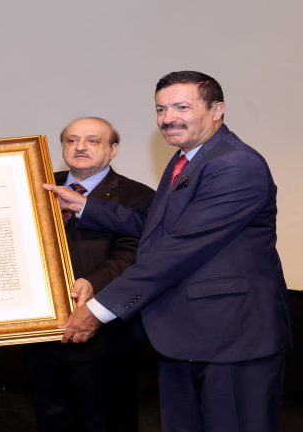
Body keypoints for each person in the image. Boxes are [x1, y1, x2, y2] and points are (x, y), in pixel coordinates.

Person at [46, 71, 291, 432]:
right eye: (161, 109)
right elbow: (158, 229)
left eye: (181, 107)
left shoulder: (235, 163)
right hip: (183, 335)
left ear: (217, 110)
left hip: (230, 338)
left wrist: (98, 310)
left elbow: (179, 248)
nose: (168, 118)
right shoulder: (186, 159)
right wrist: (85, 207)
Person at [26, 117, 154, 432]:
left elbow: (132, 252)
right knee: (52, 421)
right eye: (72, 140)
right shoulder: (36, 183)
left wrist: (93, 282)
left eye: (93, 141)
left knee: (106, 422)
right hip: (41, 334)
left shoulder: (137, 196)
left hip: (104, 337)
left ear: (113, 149)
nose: (80, 147)